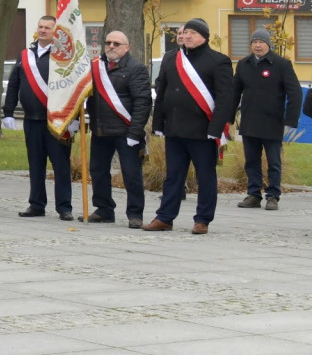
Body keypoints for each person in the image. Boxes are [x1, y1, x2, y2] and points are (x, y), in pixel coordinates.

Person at [145, 18, 233, 234]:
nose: (186, 37)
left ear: (204, 36)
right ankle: (165, 217)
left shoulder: (218, 61)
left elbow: (225, 99)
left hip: (203, 131)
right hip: (174, 128)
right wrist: (158, 124)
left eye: (192, 33)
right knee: (173, 175)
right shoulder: (171, 58)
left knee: (205, 176)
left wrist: (216, 129)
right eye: (184, 33)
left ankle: (202, 220)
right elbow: (161, 92)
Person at [2, 15, 75, 221]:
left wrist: (74, 116)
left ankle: (64, 207)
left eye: (48, 28)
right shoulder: (25, 55)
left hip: (56, 121)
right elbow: (14, 84)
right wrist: (8, 112)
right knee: (35, 164)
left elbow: (72, 86)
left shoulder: (62, 56)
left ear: (55, 32)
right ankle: (36, 204)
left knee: (60, 165)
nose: (43, 30)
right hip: (31, 119)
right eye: (40, 26)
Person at [84, 30, 152, 228]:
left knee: (131, 174)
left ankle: (135, 214)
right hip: (101, 129)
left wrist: (135, 131)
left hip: (126, 131)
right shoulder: (96, 67)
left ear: (126, 47)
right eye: (108, 43)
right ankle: (104, 209)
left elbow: (142, 102)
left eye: (116, 43)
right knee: (98, 171)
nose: (111, 47)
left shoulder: (136, 68)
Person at [232, 28, 301, 211]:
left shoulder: (281, 64)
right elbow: (234, 92)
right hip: (249, 122)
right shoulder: (244, 64)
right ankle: (254, 194)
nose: (258, 45)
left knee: (273, 162)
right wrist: (228, 118)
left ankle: (273, 196)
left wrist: (290, 121)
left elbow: (295, 93)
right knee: (251, 161)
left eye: (261, 42)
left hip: (273, 122)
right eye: (254, 42)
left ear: (268, 44)